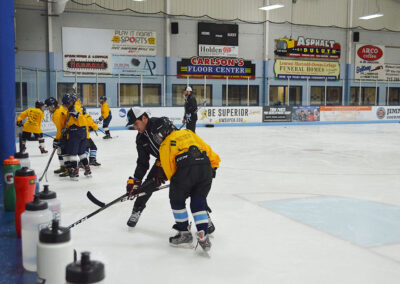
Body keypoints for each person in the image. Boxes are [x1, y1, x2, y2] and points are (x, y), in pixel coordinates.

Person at [125, 107, 216, 234]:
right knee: (148, 185)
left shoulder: (160, 123)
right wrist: (136, 181)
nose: (135, 127)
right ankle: (137, 210)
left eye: (136, 123)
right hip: (162, 162)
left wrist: (162, 168)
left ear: (144, 118)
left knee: (193, 187)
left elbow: (175, 142)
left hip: (180, 159)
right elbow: (142, 162)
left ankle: (205, 216)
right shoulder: (140, 140)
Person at [151, 117, 220, 251]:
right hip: (205, 168)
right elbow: (210, 153)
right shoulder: (189, 133)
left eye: (158, 135)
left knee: (176, 200)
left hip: (185, 171)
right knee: (198, 200)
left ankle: (184, 234)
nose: (158, 139)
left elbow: (170, 171)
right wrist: (213, 167)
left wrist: (178, 185)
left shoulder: (166, 144)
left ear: (164, 132)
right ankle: (203, 234)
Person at [60, 93, 91, 179]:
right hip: (83, 131)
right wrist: (67, 129)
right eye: (65, 103)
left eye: (68, 103)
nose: (66, 105)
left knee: (72, 152)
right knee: (81, 152)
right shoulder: (74, 108)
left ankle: (74, 170)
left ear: (72, 102)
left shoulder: (75, 108)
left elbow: (78, 116)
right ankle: (87, 168)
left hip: (76, 132)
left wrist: (75, 115)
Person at [44, 97, 69, 174]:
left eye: (48, 107)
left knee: (64, 152)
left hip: (66, 135)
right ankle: (63, 167)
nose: (48, 109)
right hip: (66, 134)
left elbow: (60, 129)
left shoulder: (57, 114)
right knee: (60, 151)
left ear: (53, 106)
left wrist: (57, 139)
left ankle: (68, 168)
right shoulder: (60, 109)